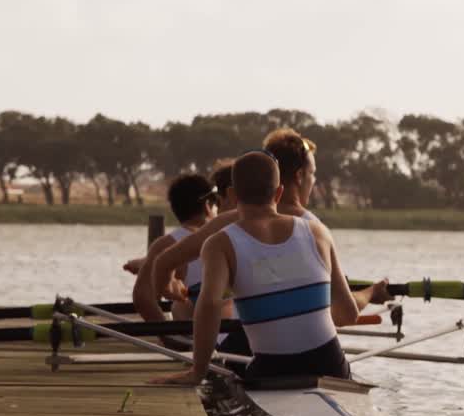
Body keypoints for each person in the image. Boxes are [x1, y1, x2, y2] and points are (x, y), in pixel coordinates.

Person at [152, 151, 362, 385]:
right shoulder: (318, 232)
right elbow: (348, 313)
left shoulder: (220, 243)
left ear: (231, 194)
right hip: (330, 365)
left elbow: (209, 304)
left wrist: (197, 372)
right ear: (279, 192)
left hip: (271, 370)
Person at [151, 129, 392, 310]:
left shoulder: (225, 223)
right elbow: (344, 313)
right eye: (313, 175)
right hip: (301, 356)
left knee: (182, 308)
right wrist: (370, 293)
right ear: (299, 177)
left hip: (240, 350)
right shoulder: (314, 230)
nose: (314, 181)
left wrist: (169, 287)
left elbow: (162, 264)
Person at [132, 173, 217, 322]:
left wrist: (169, 338)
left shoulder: (166, 244)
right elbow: (143, 297)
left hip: (192, 336)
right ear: (207, 205)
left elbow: (143, 298)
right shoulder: (227, 236)